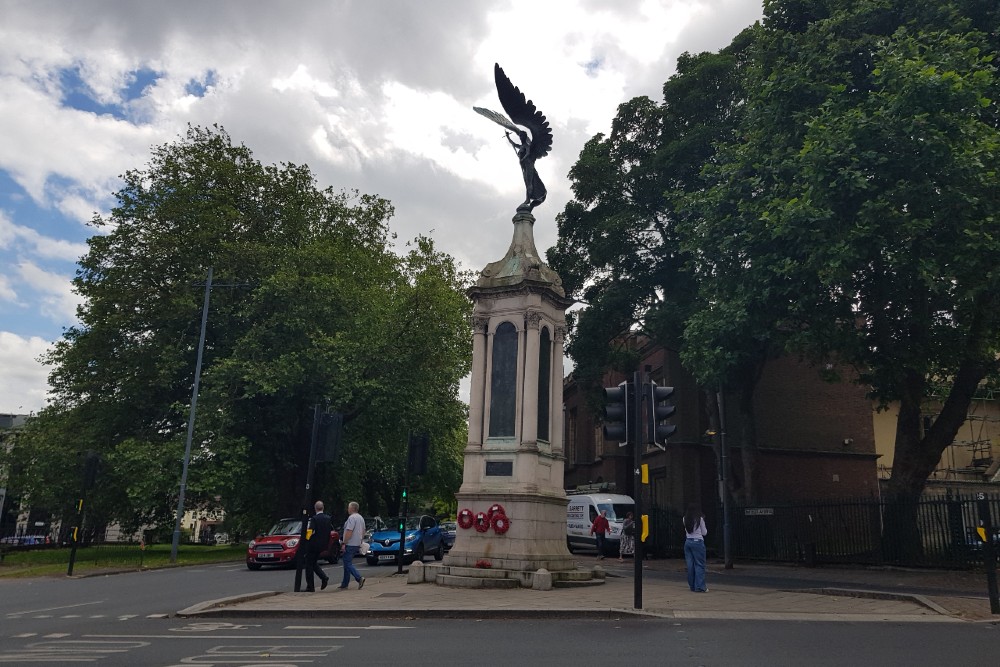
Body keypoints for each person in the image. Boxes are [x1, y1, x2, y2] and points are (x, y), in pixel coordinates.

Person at [304, 500, 331, 592]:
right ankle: (324, 577)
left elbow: (310, 531)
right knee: (313, 563)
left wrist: (306, 539)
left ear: (315, 508)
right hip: (323, 544)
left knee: (308, 564)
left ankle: (310, 586)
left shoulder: (314, 519)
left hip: (313, 545)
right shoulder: (328, 518)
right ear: (323, 508)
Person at [339, 501, 366, 590]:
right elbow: (363, 531)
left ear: (352, 508)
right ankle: (345, 583)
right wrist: (360, 541)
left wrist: (344, 543)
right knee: (347, 562)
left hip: (350, 543)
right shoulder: (360, 518)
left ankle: (359, 578)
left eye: (348, 507)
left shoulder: (352, 518)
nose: (347, 509)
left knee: (347, 563)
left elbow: (349, 531)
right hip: (357, 543)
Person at [683, 504, 708, 592]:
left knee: (690, 565)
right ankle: (700, 587)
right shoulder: (699, 519)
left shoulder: (684, 519)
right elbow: (704, 532)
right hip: (698, 542)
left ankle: (692, 586)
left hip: (688, 542)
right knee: (699, 565)